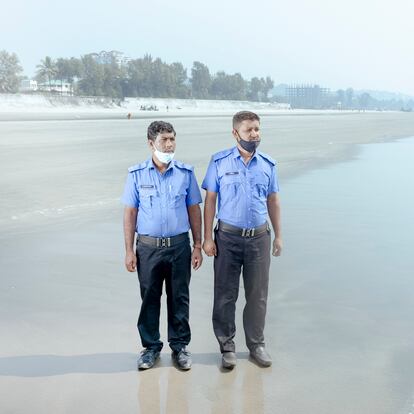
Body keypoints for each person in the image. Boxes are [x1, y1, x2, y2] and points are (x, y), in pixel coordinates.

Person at [202, 111, 282, 369]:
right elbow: (210, 201)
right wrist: (206, 239)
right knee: (225, 294)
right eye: (249, 130)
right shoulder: (219, 162)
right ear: (236, 133)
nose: (255, 134)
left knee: (258, 294)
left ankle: (256, 344)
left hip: (259, 238)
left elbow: (273, 201)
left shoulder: (268, 165)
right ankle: (227, 347)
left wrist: (278, 235)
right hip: (227, 238)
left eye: (257, 129)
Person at [122, 120, 203, 370]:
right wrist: (128, 251)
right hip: (148, 248)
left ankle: (179, 347)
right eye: (163, 140)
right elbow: (130, 213)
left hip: (179, 246)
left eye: (172, 139)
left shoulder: (185, 173)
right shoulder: (137, 174)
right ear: (151, 144)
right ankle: (150, 348)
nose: (169, 144)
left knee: (179, 297)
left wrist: (198, 245)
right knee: (149, 297)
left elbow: (194, 210)